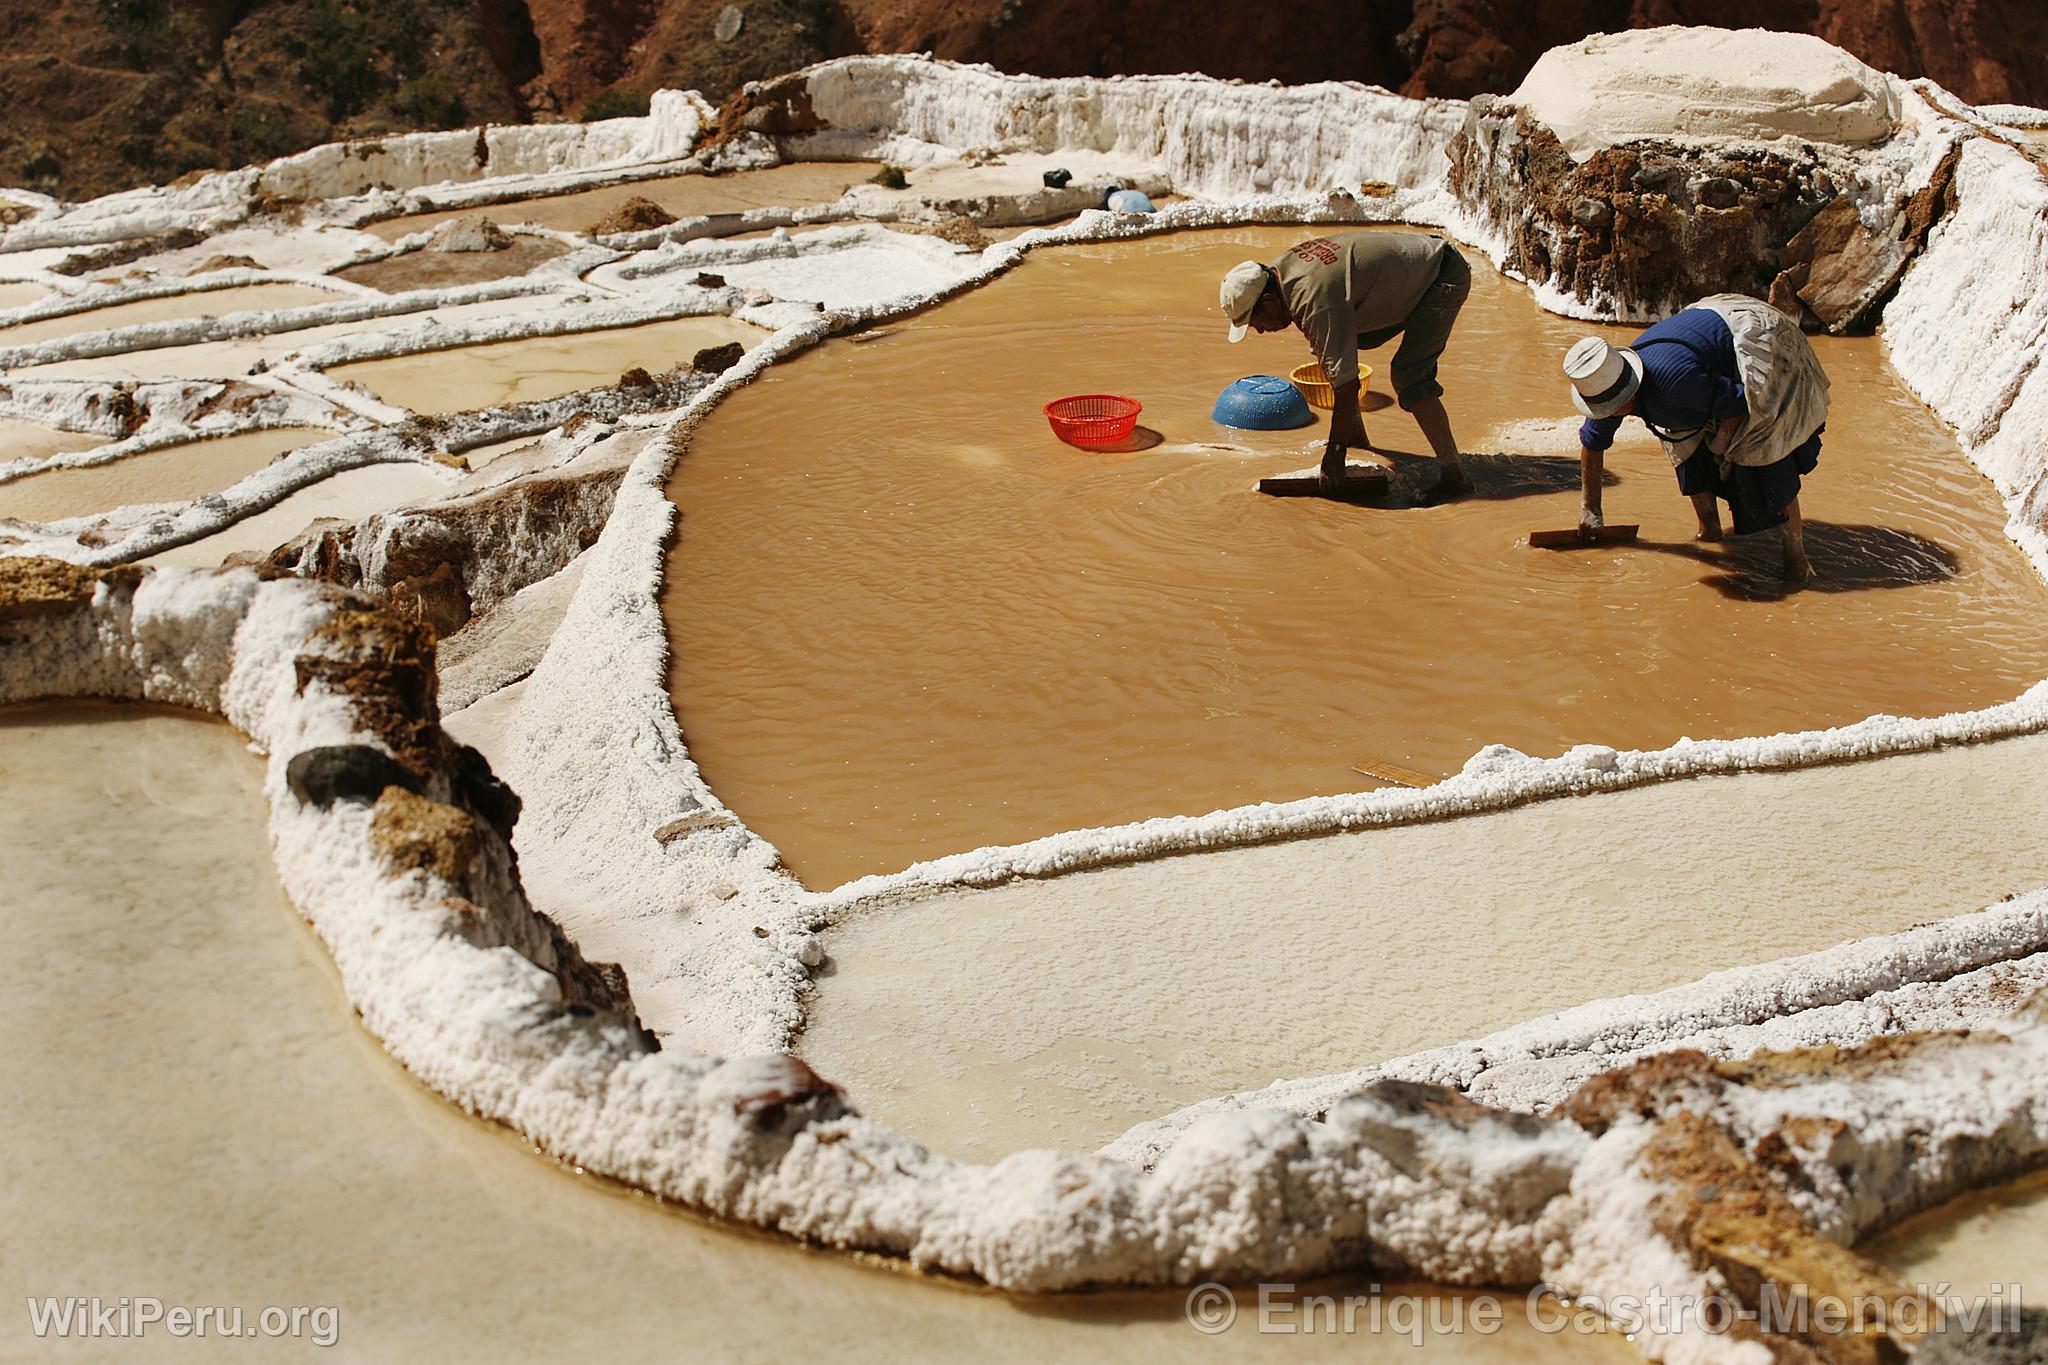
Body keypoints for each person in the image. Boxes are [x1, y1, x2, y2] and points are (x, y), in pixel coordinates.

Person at [1564, 294, 1828, 583]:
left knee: (1763, 450)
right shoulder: (1603, 383)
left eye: (1612, 408)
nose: (1607, 413)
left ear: (1630, 394)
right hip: (1705, 366)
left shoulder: (1676, 381)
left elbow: (1740, 404)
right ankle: (1710, 531)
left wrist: (1721, 443)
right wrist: (1591, 511)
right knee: (1683, 447)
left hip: (1761, 338)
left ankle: (1797, 561)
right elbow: (1592, 445)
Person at [1219, 232, 1474, 497]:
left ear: (1269, 301)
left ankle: (1455, 475)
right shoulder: (1277, 274)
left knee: (1410, 375)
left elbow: (1347, 386)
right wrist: (1345, 438)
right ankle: (1356, 436)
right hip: (1415, 266)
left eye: (1255, 322)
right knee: (1326, 349)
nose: (1260, 330)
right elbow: (1336, 363)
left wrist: (1335, 452)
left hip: (1441, 277)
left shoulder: (1314, 299)